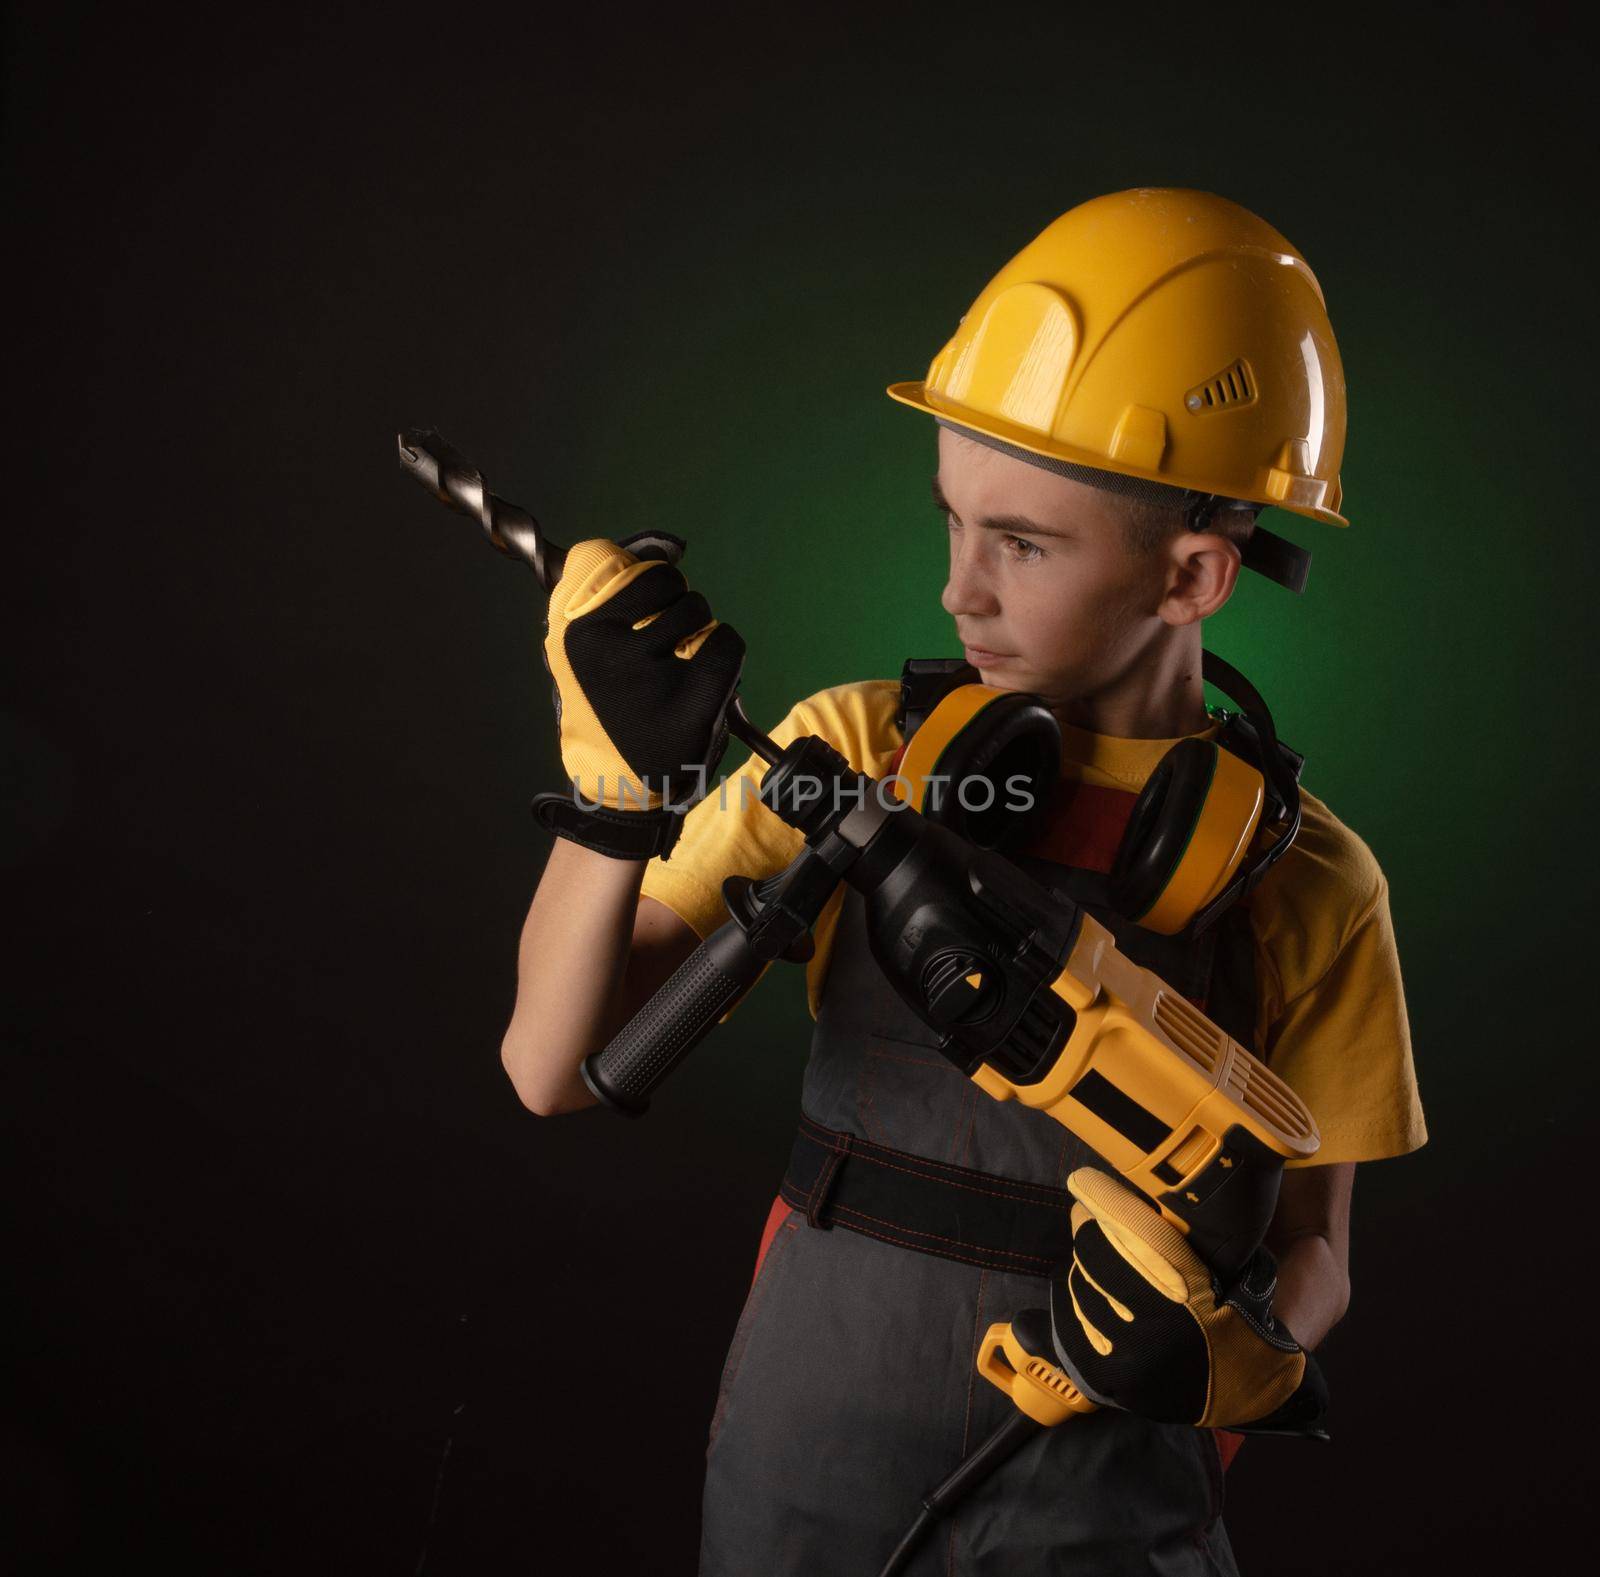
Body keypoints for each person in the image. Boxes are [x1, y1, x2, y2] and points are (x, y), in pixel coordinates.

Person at [501, 188, 1427, 1574]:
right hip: (803, 1464)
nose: (958, 592)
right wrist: (612, 799)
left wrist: (1235, 1355)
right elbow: (549, 1066)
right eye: (954, 520)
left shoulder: (1309, 880)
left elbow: (1320, 1254)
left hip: (1109, 1498)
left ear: (1194, 575)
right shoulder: (855, 748)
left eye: (1024, 543)